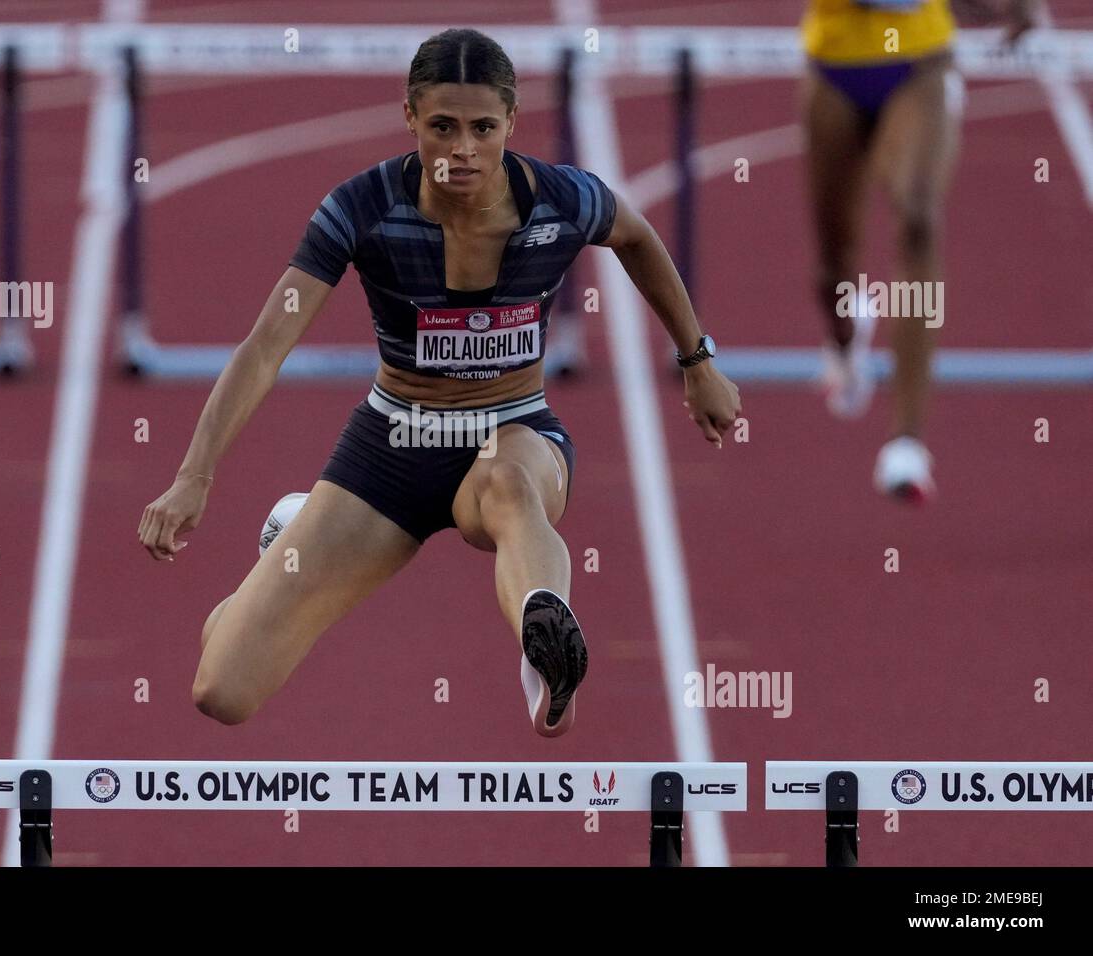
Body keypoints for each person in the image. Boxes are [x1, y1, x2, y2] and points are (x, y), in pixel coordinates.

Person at [138, 28, 741, 737]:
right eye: (442, 128)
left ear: (512, 124)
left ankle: (544, 645)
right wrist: (194, 476)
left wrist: (696, 360)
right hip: (393, 445)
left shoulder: (561, 200)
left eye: (484, 128)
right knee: (223, 693)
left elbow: (637, 236)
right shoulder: (361, 211)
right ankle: (273, 563)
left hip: (514, 433)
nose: (464, 150)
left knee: (508, 487)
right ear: (410, 120)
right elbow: (265, 347)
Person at [801, 0, 1035, 500]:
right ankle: (846, 335)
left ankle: (906, 439)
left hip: (921, 61)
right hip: (835, 64)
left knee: (918, 219)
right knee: (832, 267)